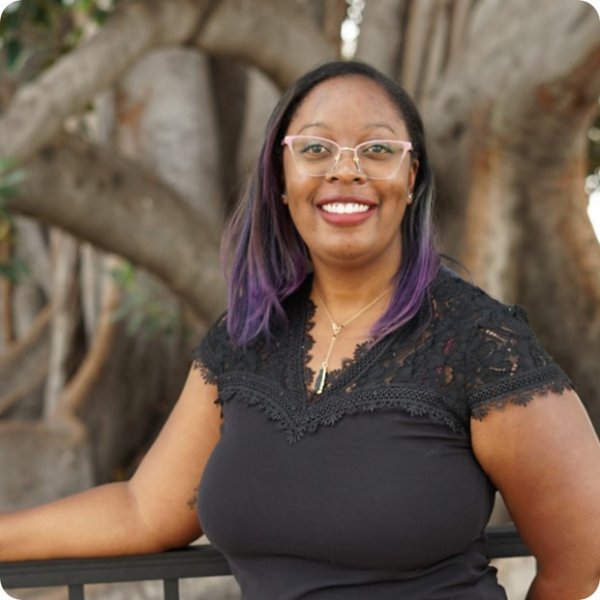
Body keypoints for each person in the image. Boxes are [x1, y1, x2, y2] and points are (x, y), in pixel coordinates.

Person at [1, 60, 599, 600]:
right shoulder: (244, 339)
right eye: (315, 149)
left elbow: (579, 562)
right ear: (281, 179)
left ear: (411, 176)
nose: (347, 171)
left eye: (377, 150)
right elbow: (142, 510)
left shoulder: (476, 343)